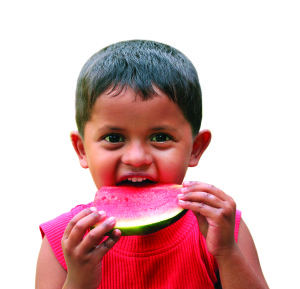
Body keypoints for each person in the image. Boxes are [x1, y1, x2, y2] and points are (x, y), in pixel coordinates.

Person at [35, 40, 269, 289]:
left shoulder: (220, 227)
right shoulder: (61, 239)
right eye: (114, 138)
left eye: (160, 137)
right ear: (82, 149)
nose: (136, 158)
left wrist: (227, 252)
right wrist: (78, 281)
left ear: (196, 148)